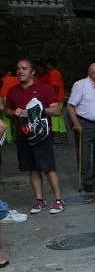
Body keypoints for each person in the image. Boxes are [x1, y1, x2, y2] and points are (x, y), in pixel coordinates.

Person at [6, 59, 64, 214]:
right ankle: (40, 200)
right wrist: (14, 112)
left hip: (41, 134)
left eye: (24, 68)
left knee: (48, 167)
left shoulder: (44, 88)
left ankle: (58, 200)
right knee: (32, 168)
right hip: (22, 134)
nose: (20, 71)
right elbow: (8, 111)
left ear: (32, 72)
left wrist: (37, 110)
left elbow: (56, 110)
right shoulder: (12, 91)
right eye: (18, 68)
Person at [67, 63, 95, 193]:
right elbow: (70, 106)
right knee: (84, 154)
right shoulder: (80, 85)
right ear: (93, 74)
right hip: (84, 122)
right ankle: (87, 182)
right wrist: (76, 123)